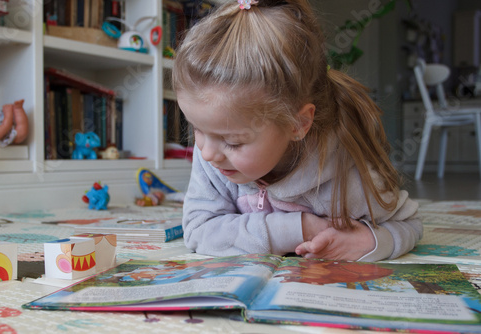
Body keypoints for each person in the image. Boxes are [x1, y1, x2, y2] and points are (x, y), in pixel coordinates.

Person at [172, 0, 422, 261]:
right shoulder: (213, 152)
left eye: (233, 142)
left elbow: (409, 224)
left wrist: (368, 241)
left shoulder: (346, 177)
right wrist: (300, 228)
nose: (207, 153)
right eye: (197, 129)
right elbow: (198, 229)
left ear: (298, 124)